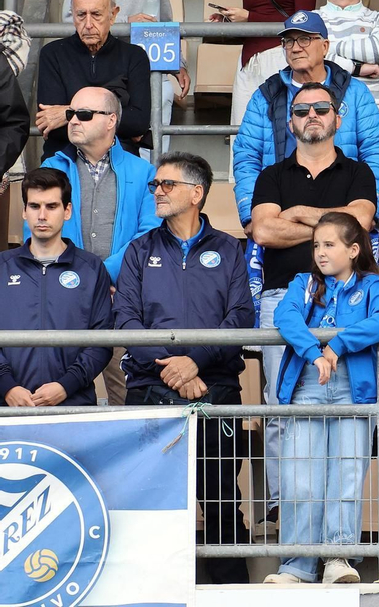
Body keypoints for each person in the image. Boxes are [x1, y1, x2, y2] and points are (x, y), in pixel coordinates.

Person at [113, 152, 254, 585]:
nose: (157, 191)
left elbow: (241, 316)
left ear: (197, 193)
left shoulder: (230, 249)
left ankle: (231, 591)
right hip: (152, 394)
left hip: (216, 393)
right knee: (152, 501)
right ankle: (152, 590)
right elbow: (126, 321)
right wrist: (176, 370)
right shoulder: (139, 250)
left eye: (167, 184)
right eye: (155, 184)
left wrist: (194, 361)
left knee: (221, 498)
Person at [251, 82, 379, 525]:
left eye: (321, 107)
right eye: (301, 109)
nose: (312, 115)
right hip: (283, 296)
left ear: (337, 118)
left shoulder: (359, 171)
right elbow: (264, 232)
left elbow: (360, 223)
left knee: (344, 407)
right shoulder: (272, 175)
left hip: (349, 298)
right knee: (282, 402)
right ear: (290, 122)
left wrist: (298, 215)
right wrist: (331, 232)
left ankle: (334, 523)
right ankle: (285, 509)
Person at [262, 212, 379, 586]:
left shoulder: (372, 285)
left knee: (347, 476)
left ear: (354, 250)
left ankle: (337, 559)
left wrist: (338, 344)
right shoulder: (303, 283)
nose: (321, 252)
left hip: (354, 392)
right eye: (316, 245)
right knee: (300, 478)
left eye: (330, 245)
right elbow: (285, 317)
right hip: (307, 386)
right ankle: (297, 566)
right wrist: (313, 352)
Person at [233, 10, 379, 234]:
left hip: (342, 206)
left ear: (325, 46)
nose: (296, 47)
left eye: (305, 39)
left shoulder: (354, 92)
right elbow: (246, 156)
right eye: (289, 41)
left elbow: (376, 151)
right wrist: (252, 214)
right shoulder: (266, 95)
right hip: (280, 213)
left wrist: (368, 207)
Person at [0, 167, 113, 409]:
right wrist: (6, 386)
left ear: (67, 211)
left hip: (73, 406)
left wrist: (66, 386)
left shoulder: (91, 269)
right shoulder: (2, 267)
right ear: (24, 211)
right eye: (34, 206)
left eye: (51, 207)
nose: (42, 215)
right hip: (7, 408)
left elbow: (101, 341)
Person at [36, 86, 159, 284]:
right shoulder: (50, 168)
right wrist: (72, 279)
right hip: (61, 288)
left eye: (84, 114)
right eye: (70, 114)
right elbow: (36, 230)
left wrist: (106, 274)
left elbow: (150, 234)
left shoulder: (144, 172)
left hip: (124, 291)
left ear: (111, 120)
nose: (74, 121)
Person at [36, 0, 152, 158]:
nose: (88, 24)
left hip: (119, 158)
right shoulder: (52, 54)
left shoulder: (134, 56)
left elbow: (138, 122)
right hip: (64, 158)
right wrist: (115, 119)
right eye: (81, 15)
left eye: (96, 14)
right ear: (73, 16)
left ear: (113, 15)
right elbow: (51, 126)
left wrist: (67, 113)